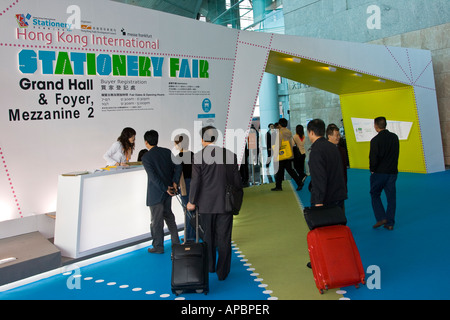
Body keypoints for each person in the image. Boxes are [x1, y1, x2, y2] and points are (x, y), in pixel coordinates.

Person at [187, 126, 242, 281]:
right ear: (215, 138)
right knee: (224, 238)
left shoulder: (198, 156)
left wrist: (191, 201)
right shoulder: (230, 155)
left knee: (208, 237)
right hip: (226, 203)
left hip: (205, 204)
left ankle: (210, 266)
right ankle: (222, 272)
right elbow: (237, 182)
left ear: (202, 139)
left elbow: (196, 182)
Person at [142, 130, 182, 253]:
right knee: (169, 217)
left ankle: (158, 247)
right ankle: (176, 243)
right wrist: (175, 182)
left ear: (146, 142)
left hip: (156, 194)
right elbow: (179, 165)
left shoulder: (146, 157)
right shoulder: (166, 152)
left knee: (156, 222)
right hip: (168, 192)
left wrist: (165, 188)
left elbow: (153, 177)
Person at [307, 119, 347, 209]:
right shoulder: (334, 147)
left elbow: (319, 177)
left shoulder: (316, 151)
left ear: (311, 132)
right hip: (338, 194)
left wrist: (318, 200)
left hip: (326, 198)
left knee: (325, 222)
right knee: (339, 221)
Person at [369, 117, 400, 231]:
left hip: (379, 173)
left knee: (375, 194)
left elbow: (373, 158)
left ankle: (381, 217)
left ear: (376, 126)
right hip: (392, 172)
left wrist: (372, 169)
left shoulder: (375, 140)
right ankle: (390, 223)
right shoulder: (394, 137)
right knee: (391, 198)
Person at [173, 133, 196, 242]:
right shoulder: (194, 155)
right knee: (194, 210)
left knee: (187, 211)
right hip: (196, 185)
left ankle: (190, 237)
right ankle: (195, 234)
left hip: (185, 186)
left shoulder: (178, 157)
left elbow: (177, 174)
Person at [272, 118, 303, 191]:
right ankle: (299, 182)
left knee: (280, 171)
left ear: (280, 124)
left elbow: (279, 144)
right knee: (289, 170)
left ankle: (279, 186)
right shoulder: (289, 132)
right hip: (288, 154)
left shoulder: (280, 133)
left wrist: (275, 153)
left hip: (282, 154)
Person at [326, 123, 349, 189]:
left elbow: (344, 170)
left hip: (341, 185)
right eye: (337, 135)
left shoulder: (342, 150)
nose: (339, 137)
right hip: (328, 187)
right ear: (329, 136)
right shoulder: (323, 150)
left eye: (339, 135)